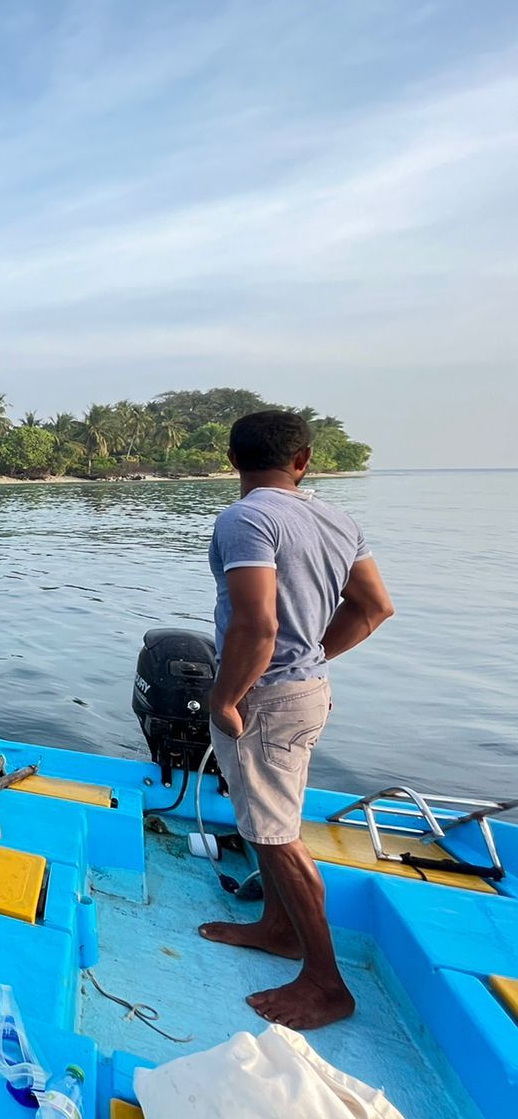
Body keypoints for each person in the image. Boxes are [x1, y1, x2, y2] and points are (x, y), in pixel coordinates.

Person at [198, 410, 394, 1029]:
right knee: (265, 818)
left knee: (279, 837)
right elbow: (374, 607)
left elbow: (258, 626)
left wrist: (227, 698)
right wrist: (313, 662)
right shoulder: (338, 519)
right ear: (304, 460)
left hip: (267, 698)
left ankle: (326, 983)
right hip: (306, 689)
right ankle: (278, 928)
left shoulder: (245, 518)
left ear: (233, 460)